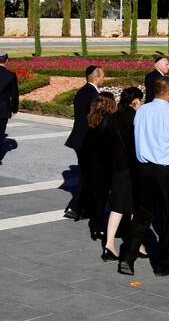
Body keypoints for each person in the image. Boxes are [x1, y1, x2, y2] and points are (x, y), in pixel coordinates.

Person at [118, 76, 169, 277]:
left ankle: (127, 257)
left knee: (143, 214)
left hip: (145, 168)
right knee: (168, 217)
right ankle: (163, 262)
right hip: (167, 169)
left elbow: (137, 136)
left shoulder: (141, 111)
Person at [101, 86, 144, 261]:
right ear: (135, 101)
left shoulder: (111, 118)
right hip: (133, 168)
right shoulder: (136, 118)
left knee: (117, 207)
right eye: (140, 100)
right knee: (136, 207)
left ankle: (109, 244)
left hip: (116, 168)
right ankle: (137, 244)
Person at [64, 65, 103, 221]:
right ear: (96, 77)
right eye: (102, 76)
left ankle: (85, 207)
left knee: (88, 173)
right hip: (87, 139)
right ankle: (75, 207)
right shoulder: (92, 93)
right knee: (88, 174)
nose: (104, 79)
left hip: (80, 138)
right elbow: (96, 118)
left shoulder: (83, 91)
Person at [80, 92, 118, 244]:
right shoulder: (109, 121)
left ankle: (96, 226)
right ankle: (101, 226)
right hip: (105, 165)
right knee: (104, 197)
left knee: (98, 198)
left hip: (92, 163)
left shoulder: (92, 119)